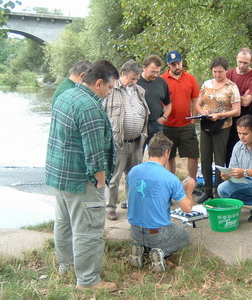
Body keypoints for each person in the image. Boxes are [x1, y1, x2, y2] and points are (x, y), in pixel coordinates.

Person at [46, 60, 119, 291]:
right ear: (98, 83)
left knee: (64, 223)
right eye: (109, 88)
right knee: (88, 229)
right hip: (80, 179)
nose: (109, 93)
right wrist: (99, 181)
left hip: (60, 175)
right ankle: (88, 280)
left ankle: (65, 265)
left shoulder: (66, 95)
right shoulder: (89, 107)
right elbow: (95, 151)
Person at [127, 133, 196, 272]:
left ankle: (141, 247)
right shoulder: (170, 178)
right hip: (156, 233)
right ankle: (161, 252)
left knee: (146, 234)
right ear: (166, 152)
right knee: (183, 236)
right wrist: (188, 191)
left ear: (149, 151)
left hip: (134, 229)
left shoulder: (133, 171)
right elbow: (187, 208)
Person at [102, 60, 150, 221]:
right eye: (132, 78)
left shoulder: (140, 91)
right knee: (114, 178)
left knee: (134, 176)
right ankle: (110, 207)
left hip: (137, 143)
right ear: (122, 74)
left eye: (136, 79)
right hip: (117, 143)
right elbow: (102, 115)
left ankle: (132, 205)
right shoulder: (110, 91)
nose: (134, 82)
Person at [195, 57, 241, 203]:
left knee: (219, 158)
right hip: (206, 124)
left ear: (226, 71)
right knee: (205, 157)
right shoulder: (206, 84)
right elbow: (198, 103)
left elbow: (237, 111)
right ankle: (207, 190)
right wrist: (202, 112)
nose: (217, 75)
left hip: (222, 126)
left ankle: (219, 190)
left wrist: (220, 115)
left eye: (220, 72)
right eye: (214, 72)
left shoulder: (231, 87)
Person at [161, 50, 200, 179]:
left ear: (182, 62)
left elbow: (195, 100)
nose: (177, 67)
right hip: (168, 125)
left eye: (178, 63)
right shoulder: (162, 80)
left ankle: (192, 182)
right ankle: (171, 183)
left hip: (186, 124)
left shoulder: (190, 79)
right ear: (168, 65)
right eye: (173, 64)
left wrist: (193, 121)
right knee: (169, 156)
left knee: (193, 154)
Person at [225, 48, 252, 165]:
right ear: (236, 59)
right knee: (228, 146)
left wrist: (232, 95)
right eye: (240, 61)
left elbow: (246, 102)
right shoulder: (228, 74)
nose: (242, 65)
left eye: (245, 62)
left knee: (243, 144)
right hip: (229, 114)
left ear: (251, 61)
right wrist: (241, 96)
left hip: (245, 115)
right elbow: (221, 96)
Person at [137, 55, 171, 145]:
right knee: (138, 155)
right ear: (144, 68)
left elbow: (168, 104)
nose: (155, 75)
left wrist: (164, 117)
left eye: (157, 72)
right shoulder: (135, 81)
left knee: (157, 154)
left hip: (156, 124)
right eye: (152, 72)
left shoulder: (162, 82)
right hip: (139, 125)